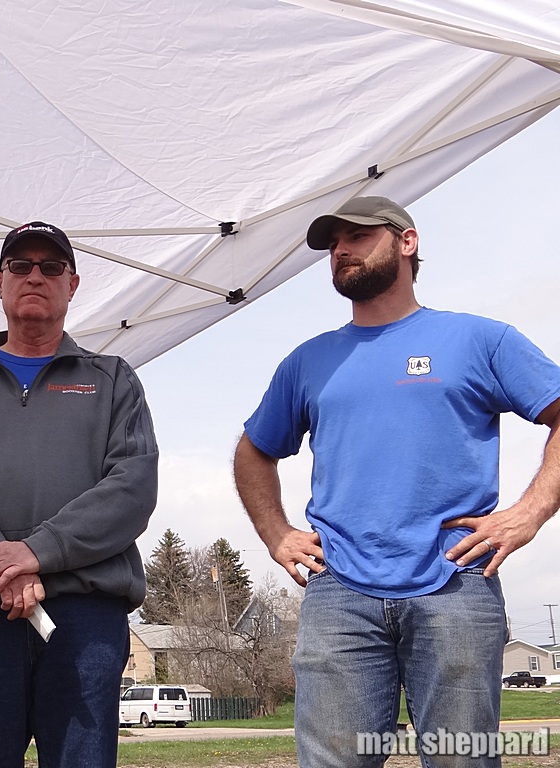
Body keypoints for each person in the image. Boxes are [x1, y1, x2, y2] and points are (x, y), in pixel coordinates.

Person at [233, 196, 560, 768]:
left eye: (356, 236)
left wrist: (528, 513)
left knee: (464, 758)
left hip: (456, 584)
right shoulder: (310, 361)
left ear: (407, 242)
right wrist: (276, 533)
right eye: (332, 243)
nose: (340, 250)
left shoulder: (481, 341)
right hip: (339, 592)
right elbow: (253, 451)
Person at [0, 221, 159, 768]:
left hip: (85, 619)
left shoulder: (112, 379)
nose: (35, 276)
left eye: (51, 267)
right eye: (21, 266)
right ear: (0, 282)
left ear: (72, 283)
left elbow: (131, 487)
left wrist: (35, 552)